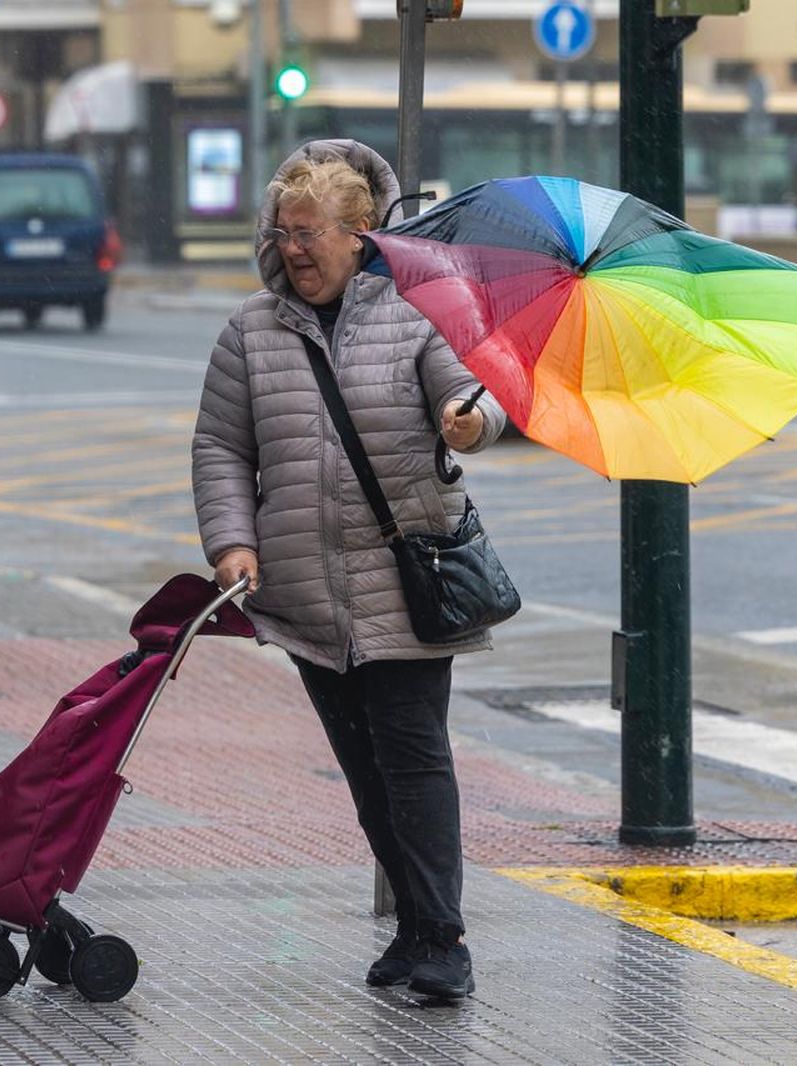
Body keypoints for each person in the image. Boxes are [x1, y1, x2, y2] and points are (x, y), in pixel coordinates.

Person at [190, 140, 506, 999]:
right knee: (367, 773)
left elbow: (469, 400)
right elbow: (222, 445)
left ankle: (444, 940)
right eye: (284, 232)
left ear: (361, 234)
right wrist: (232, 542)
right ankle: (412, 925)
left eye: (311, 234)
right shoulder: (252, 330)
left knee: (414, 761)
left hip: (405, 583)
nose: (294, 249)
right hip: (304, 594)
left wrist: (468, 423)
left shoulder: (414, 312)